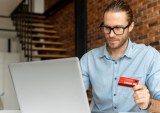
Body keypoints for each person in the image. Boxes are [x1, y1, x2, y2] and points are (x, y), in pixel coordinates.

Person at [80, 0, 160, 112]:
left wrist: (149, 104)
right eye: (107, 28)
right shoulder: (88, 59)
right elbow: (72, 96)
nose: (111, 34)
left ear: (130, 26)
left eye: (118, 28)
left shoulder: (149, 56)